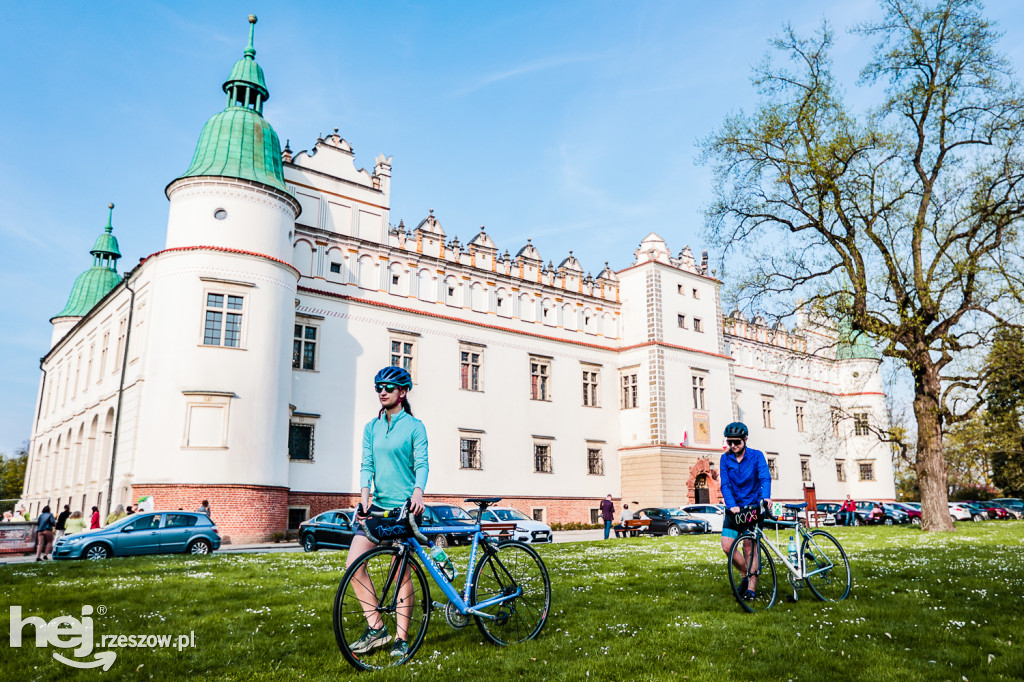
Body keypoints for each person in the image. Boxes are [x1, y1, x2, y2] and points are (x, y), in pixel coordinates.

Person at [346, 366, 429, 660]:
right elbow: (366, 465)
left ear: (402, 393)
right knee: (353, 563)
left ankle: (401, 639)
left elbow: (422, 464)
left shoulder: (415, 427)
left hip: (405, 508)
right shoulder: (372, 427)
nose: (382, 391)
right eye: (379, 387)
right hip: (378, 508)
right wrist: (364, 500)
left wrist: (418, 491)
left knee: (400, 573)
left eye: (389, 387)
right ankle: (376, 628)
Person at [719, 422, 772, 601]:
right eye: (730, 442)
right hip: (734, 509)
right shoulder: (725, 459)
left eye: (737, 442)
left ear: (745, 440)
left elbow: (765, 477)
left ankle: (751, 589)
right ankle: (746, 574)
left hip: (753, 508)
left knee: (749, 548)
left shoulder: (756, 456)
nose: (733, 446)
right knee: (727, 546)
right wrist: (731, 504)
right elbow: (725, 484)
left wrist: (766, 497)